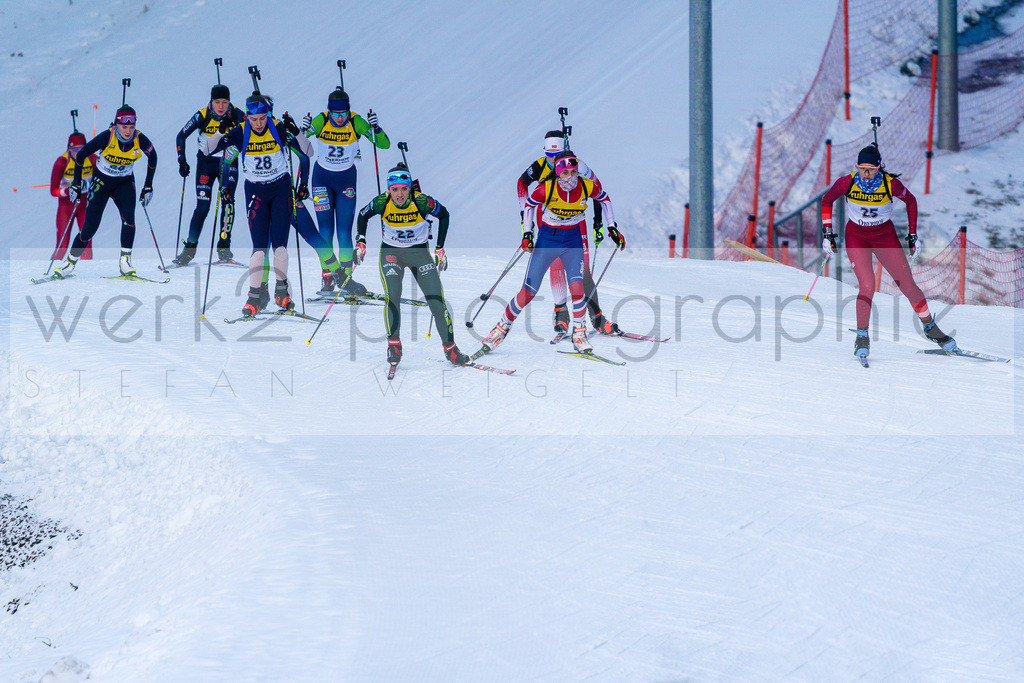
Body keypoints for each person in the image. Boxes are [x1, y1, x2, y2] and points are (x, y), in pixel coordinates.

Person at [821, 144, 958, 359]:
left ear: (878, 168)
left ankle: (930, 327)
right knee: (867, 285)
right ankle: (862, 336)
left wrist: (912, 235)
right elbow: (827, 200)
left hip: (884, 236)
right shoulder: (847, 182)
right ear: (856, 167)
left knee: (908, 284)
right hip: (857, 237)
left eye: (871, 169)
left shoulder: (890, 184)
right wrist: (827, 233)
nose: (866, 174)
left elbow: (911, 201)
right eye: (862, 169)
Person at [483, 151, 623, 354]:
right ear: (557, 173)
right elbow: (530, 206)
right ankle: (501, 328)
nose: (571, 177)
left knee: (577, 289)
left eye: (574, 171)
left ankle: (580, 334)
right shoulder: (546, 188)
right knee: (528, 292)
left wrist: (612, 228)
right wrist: (528, 234)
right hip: (548, 241)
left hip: (572, 241)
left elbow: (605, 199)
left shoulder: (586, 186)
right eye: (565, 173)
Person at [206, 93, 317, 316]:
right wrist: (220, 130)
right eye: (254, 119)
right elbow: (208, 150)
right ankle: (254, 296)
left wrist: (295, 132)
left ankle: (282, 293)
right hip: (255, 191)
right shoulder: (240, 131)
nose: (258, 123)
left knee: (281, 247)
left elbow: (308, 152)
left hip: (280, 188)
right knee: (258, 249)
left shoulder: (277, 128)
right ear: (247, 116)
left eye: (262, 118)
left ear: (268, 115)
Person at [354, 164, 469, 367]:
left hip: (419, 254)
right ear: (389, 189)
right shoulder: (382, 201)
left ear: (410, 188)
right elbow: (363, 215)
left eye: (404, 189)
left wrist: (440, 248)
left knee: (436, 300)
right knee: (393, 296)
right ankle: (394, 345)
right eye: (395, 189)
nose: (399, 194)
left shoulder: (422, 201)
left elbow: (444, 215)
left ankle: (451, 349)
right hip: (392, 254)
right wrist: (361, 241)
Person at [517, 130, 620, 335]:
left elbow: (598, 190)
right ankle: (561, 312)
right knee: (556, 266)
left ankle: (597, 317)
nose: (554, 159)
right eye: (549, 155)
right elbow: (522, 184)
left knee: (583, 271)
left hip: (576, 221)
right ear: (545, 152)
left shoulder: (577, 165)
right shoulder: (539, 165)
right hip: (549, 220)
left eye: (557, 154)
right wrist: (525, 224)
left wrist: (599, 223)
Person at [302, 88, 390, 296]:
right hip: (321, 179)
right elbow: (298, 143)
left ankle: (347, 279)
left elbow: (384, 144)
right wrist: (301, 130)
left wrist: (375, 129)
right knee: (325, 230)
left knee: (344, 232)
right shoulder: (320, 121)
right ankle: (327, 276)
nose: (340, 118)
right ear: (329, 111)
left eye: (343, 114)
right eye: (336, 114)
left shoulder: (356, 121)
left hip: (346, 181)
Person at [55, 105, 157, 277]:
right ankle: (69, 263)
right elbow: (81, 156)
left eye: (131, 127)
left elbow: (153, 156)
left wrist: (148, 186)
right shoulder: (107, 136)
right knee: (89, 229)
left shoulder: (139, 139)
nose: (128, 131)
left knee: (129, 220)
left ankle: (125, 262)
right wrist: (76, 184)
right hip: (102, 181)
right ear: (117, 125)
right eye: (124, 127)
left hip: (124, 183)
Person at [172, 84, 246, 265]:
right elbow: (181, 136)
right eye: (217, 102)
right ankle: (189, 249)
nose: (221, 106)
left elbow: (256, 128)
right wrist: (182, 160)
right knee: (203, 207)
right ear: (211, 101)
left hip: (228, 163)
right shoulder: (202, 115)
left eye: (225, 102)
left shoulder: (237, 115)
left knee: (228, 202)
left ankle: (224, 247)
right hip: (205, 163)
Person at [48, 131, 94, 261]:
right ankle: (52, 272)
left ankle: (87, 273)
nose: (79, 152)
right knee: (62, 245)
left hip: (84, 206)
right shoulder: (62, 162)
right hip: (66, 207)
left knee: (86, 243)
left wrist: (91, 185)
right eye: (75, 148)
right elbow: (53, 191)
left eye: (82, 148)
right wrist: (69, 191)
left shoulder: (91, 159)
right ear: (69, 148)